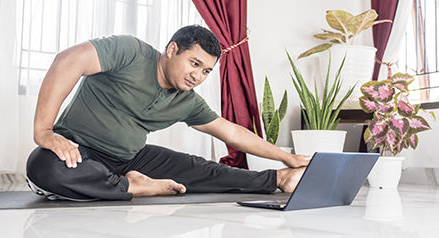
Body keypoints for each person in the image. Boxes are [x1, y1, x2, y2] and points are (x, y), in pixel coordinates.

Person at [26, 25, 311, 201]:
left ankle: (279, 179)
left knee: (203, 169)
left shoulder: (187, 101)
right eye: (194, 63)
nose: (198, 76)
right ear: (172, 50)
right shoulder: (131, 52)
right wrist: (45, 132)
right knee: (44, 167)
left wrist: (287, 157)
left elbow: (232, 131)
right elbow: (68, 60)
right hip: (79, 150)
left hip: (129, 158)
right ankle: (133, 187)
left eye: (206, 71)